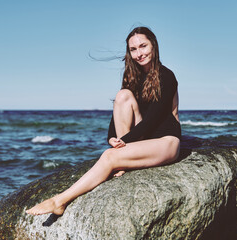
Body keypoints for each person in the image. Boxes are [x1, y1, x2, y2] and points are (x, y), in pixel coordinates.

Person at [26, 26, 181, 216]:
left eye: (143, 46)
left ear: (154, 46)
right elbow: (116, 113)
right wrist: (112, 138)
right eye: (134, 49)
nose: (139, 53)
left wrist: (124, 143)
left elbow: (152, 120)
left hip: (166, 141)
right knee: (122, 95)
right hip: (144, 139)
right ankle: (122, 160)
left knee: (108, 157)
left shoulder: (166, 76)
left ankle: (58, 201)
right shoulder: (134, 76)